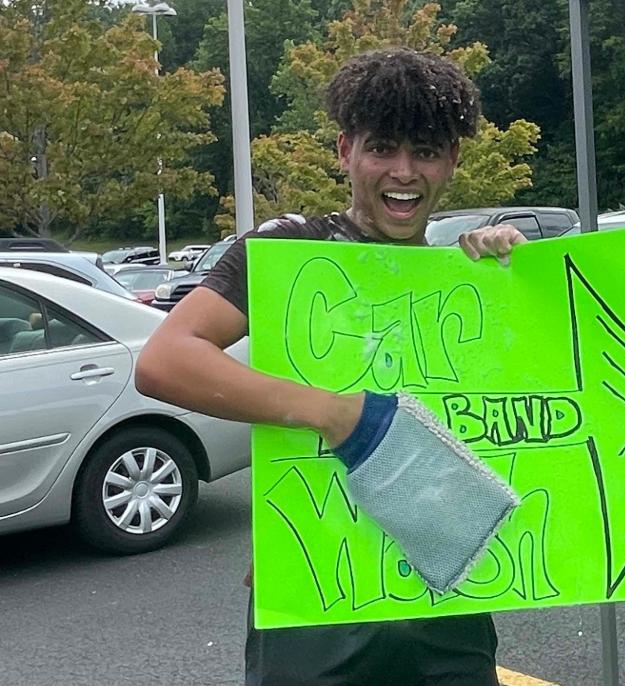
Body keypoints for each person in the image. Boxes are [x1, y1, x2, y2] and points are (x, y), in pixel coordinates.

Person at [135, 47, 526, 685]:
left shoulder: (465, 273)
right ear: (346, 151)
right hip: (318, 592)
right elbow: (166, 360)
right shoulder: (288, 250)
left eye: (426, 151)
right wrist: (338, 414)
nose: (404, 171)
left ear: (452, 161)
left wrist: (513, 275)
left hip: (450, 601)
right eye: (383, 148)